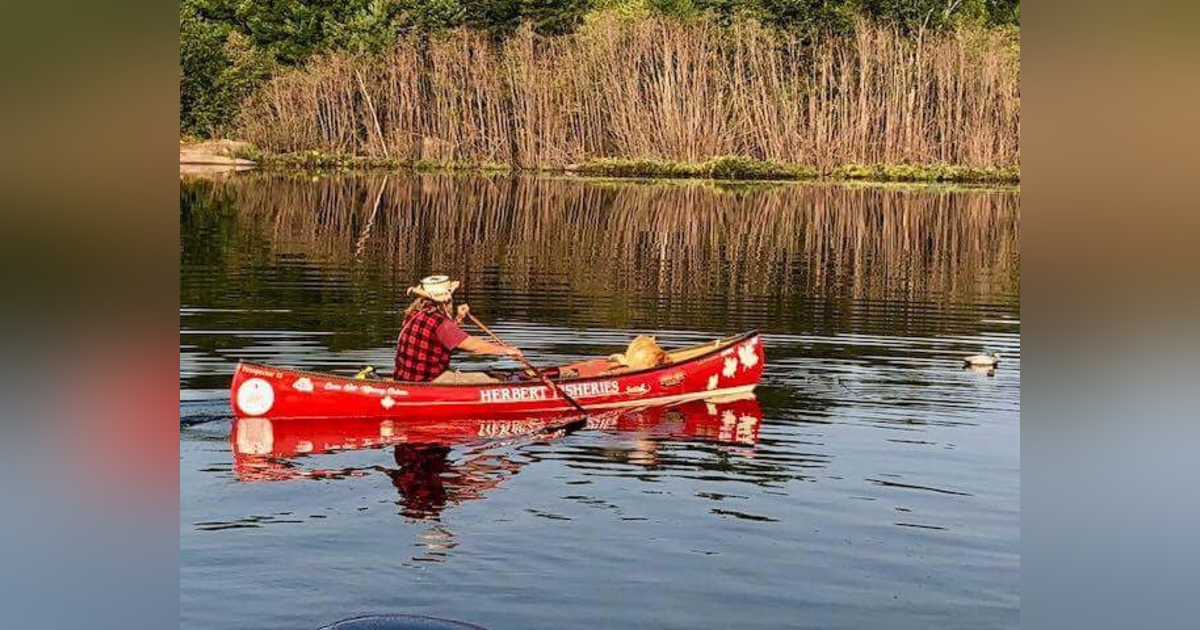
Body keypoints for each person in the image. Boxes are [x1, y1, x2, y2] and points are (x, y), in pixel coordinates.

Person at [394, 275, 522, 383]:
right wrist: (506, 350)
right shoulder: (442, 323)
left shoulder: (414, 314)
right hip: (428, 381)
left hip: (405, 378)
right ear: (446, 300)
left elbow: (442, 337)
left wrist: (459, 318)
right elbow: (473, 346)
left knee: (479, 376)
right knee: (485, 379)